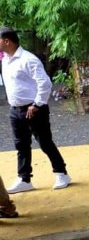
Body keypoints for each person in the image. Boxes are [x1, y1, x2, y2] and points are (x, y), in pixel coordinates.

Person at [0, 27, 71, 193]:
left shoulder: (28, 59)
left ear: (7, 41)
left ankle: (61, 173)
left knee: (45, 142)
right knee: (21, 145)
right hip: (15, 109)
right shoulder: (5, 60)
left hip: (34, 109)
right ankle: (24, 178)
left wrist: (37, 104)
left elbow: (45, 83)